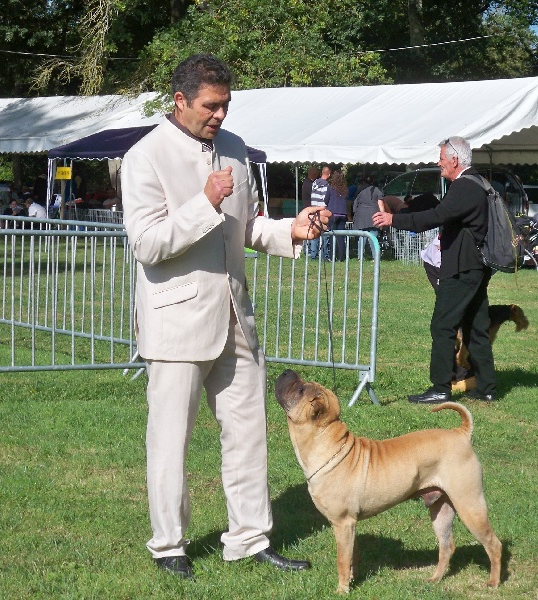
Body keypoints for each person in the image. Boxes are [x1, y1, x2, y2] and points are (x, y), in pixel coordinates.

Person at [121, 53, 328, 580]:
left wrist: (290, 232)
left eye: (226, 106)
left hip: (236, 316)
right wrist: (203, 204)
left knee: (248, 432)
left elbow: (248, 226)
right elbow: (147, 244)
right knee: (171, 440)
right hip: (176, 324)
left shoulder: (234, 150)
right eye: (211, 107)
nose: (219, 116)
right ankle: (169, 545)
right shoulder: (144, 158)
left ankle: (249, 539)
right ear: (180, 100)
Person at [372, 136, 496, 404]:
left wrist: (394, 219)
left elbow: (435, 216)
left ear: (454, 160)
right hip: (474, 266)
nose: (438, 163)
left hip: (461, 269)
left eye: (441, 158)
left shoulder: (465, 187)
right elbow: (439, 211)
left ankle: (440, 387)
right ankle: (486, 388)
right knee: (476, 327)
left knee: (442, 326)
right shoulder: (476, 184)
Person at [324, 170, 349, 261]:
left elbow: (326, 200)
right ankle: (341, 257)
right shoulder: (346, 189)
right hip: (343, 214)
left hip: (333, 214)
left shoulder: (331, 188)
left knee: (332, 236)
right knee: (341, 236)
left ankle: (332, 256)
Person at [308, 165, 331, 259]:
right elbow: (325, 200)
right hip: (322, 210)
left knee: (315, 233)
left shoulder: (314, 183)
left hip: (314, 210)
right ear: (329, 174)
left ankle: (313, 255)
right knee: (324, 234)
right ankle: (324, 255)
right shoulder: (326, 185)